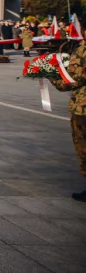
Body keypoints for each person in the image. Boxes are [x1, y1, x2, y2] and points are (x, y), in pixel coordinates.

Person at [51, 42, 86, 201]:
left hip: (83, 109)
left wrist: (50, 73)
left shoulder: (83, 50)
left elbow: (71, 80)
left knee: (83, 146)